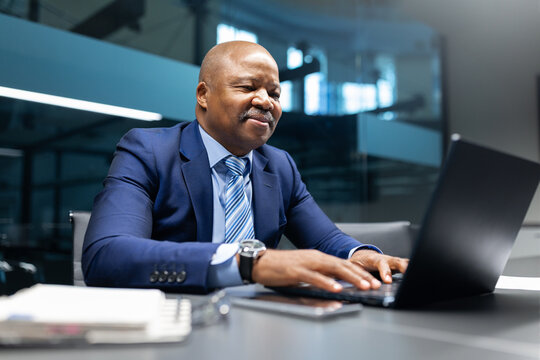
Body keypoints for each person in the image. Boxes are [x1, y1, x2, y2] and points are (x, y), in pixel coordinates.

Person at [82, 41, 408, 294]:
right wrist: (248, 264)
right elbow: (107, 255)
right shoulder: (148, 150)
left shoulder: (279, 166)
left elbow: (325, 240)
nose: (266, 101)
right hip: (176, 321)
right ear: (203, 95)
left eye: (275, 93)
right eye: (248, 87)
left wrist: (358, 254)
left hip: (263, 324)